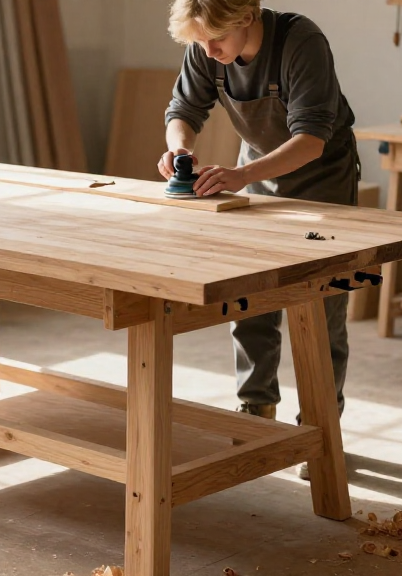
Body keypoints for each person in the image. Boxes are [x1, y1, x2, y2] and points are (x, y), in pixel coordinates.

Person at [159, 0, 359, 479]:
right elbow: (182, 110)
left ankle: (321, 429)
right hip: (255, 177)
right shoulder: (207, 45)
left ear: (247, 17)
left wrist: (241, 174)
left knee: (322, 307)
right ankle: (255, 411)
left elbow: (311, 139)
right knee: (247, 299)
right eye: (199, 42)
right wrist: (179, 147)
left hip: (322, 183)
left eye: (216, 41)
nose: (208, 51)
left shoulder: (300, 42)